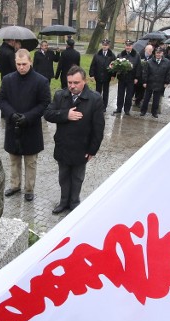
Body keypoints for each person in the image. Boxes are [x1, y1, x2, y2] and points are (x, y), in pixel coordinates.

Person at [45, 65, 105, 214]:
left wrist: (93, 150)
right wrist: (65, 115)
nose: (72, 86)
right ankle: (63, 202)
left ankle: (74, 203)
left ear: (84, 81)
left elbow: (98, 128)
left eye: (76, 83)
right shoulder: (60, 95)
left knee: (77, 178)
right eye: (69, 82)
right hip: (63, 146)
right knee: (63, 177)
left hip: (82, 147)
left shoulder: (95, 99)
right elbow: (48, 114)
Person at [0, 49, 51, 201]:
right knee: (14, 160)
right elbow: (1, 100)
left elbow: (45, 103)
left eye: (24, 64)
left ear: (30, 62)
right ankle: (15, 185)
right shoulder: (8, 79)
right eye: (18, 64)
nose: (21, 67)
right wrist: (11, 114)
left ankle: (29, 189)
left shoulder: (41, 81)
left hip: (31, 126)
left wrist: (28, 117)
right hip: (12, 125)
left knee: (30, 161)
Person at [139, 47, 170, 118]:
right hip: (150, 83)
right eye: (157, 53)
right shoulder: (149, 62)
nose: (158, 54)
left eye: (160, 53)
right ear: (155, 53)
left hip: (160, 83)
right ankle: (143, 111)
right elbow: (145, 72)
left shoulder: (167, 62)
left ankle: (154, 112)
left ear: (162, 53)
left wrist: (166, 82)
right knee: (146, 98)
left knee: (156, 99)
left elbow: (169, 73)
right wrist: (144, 82)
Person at [113, 39, 141, 116]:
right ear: (125, 46)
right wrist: (116, 73)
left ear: (132, 46)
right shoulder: (120, 54)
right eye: (126, 45)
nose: (128, 47)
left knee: (129, 95)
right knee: (120, 94)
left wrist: (136, 77)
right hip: (122, 78)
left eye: (129, 45)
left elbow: (138, 67)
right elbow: (116, 65)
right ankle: (119, 108)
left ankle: (127, 110)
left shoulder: (136, 55)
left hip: (131, 78)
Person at [89, 38, 116, 111]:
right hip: (98, 76)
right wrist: (91, 75)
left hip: (107, 77)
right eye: (103, 45)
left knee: (105, 92)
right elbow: (93, 65)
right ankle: (97, 105)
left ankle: (104, 106)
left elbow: (114, 66)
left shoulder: (112, 56)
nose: (104, 46)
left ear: (108, 46)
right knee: (98, 92)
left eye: (106, 45)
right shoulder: (97, 55)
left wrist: (113, 75)